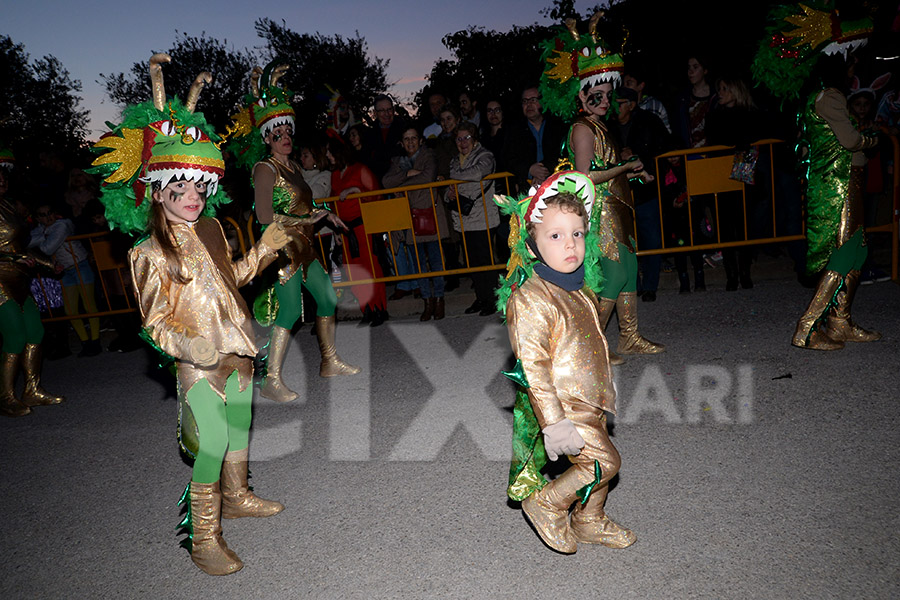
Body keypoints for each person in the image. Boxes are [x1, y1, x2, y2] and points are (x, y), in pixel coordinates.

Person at [92, 54, 287, 575]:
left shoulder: (215, 230)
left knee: (240, 429)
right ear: (157, 192)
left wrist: (265, 249)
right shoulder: (148, 253)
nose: (191, 197)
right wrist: (190, 348)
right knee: (210, 445)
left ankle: (239, 495)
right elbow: (155, 323)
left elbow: (236, 280)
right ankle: (204, 538)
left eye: (198, 187)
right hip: (199, 361)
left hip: (240, 348)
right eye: (177, 189)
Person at [497, 170, 635, 554]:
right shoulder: (530, 298)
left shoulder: (579, 288)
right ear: (533, 244)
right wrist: (555, 424)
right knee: (606, 462)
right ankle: (547, 502)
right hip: (561, 404)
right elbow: (534, 368)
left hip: (588, 398)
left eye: (577, 233)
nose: (570, 244)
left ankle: (589, 519)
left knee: (597, 454)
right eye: (555, 236)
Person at [227, 62, 360, 403]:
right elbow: (264, 216)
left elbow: (302, 209)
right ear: (266, 137)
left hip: (307, 245)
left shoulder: (296, 167)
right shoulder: (264, 169)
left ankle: (329, 361)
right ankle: (271, 379)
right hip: (282, 247)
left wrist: (324, 215)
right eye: (278, 134)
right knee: (289, 311)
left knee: (328, 298)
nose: (285, 138)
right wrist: (306, 222)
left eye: (288, 133)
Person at [752, 4, 879, 350]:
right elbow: (851, 141)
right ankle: (807, 327)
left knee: (857, 253)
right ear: (839, 61)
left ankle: (840, 322)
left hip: (841, 182)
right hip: (838, 186)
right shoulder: (831, 97)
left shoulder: (818, 97)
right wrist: (872, 139)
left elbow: (808, 147)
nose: (855, 65)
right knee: (844, 256)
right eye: (851, 60)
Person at [541, 13, 663, 361]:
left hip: (618, 206)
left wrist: (634, 173)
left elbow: (606, 166)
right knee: (613, 276)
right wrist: (624, 166)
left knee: (629, 273)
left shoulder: (600, 125)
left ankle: (629, 337)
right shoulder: (582, 128)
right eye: (599, 95)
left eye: (609, 95)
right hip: (602, 209)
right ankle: (590, 345)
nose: (606, 101)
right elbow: (583, 177)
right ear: (581, 97)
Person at [0, 158, 65, 417]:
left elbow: (19, 248)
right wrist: (11, 259)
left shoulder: (8, 206)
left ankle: (32, 390)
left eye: (3, 177)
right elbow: (11, 254)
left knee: (35, 331)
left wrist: (48, 264)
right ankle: (5, 397)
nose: (2, 181)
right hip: (0, 281)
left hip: (18, 279)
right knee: (15, 335)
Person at [607, 86, 675, 302]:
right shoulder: (607, 125)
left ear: (631, 104)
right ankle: (632, 286)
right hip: (620, 191)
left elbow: (664, 146)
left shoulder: (649, 121)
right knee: (626, 241)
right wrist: (620, 156)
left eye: (617, 103)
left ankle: (650, 287)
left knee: (651, 237)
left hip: (646, 189)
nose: (612, 107)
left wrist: (637, 153)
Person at [706, 76, 767, 291]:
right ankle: (731, 275)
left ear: (735, 89)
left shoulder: (749, 114)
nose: (720, 92)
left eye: (724, 88)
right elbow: (712, 142)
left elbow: (752, 138)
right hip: (721, 177)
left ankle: (745, 273)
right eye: (719, 88)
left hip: (744, 177)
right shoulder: (714, 115)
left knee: (744, 227)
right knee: (725, 228)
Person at [383, 126, 446, 320]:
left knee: (436, 259)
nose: (410, 142)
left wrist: (401, 184)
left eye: (414, 138)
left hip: (430, 213)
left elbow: (427, 177)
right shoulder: (397, 162)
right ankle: (427, 301)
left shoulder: (428, 155)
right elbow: (386, 182)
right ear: (402, 143)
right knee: (418, 262)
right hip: (409, 216)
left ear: (420, 140)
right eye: (406, 139)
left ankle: (439, 299)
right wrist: (408, 173)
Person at [327, 137, 389, 326]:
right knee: (353, 272)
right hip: (345, 229)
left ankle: (380, 308)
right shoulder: (335, 175)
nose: (327, 156)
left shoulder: (360, 169)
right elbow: (333, 203)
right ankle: (367, 309)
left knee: (371, 268)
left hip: (362, 227)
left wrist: (356, 189)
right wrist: (336, 230)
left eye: (330, 152)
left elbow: (376, 194)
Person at [28, 202, 102, 356]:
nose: (48, 217)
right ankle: (85, 342)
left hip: (80, 265)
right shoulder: (43, 230)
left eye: (50, 212)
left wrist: (43, 236)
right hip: (65, 271)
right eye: (43, 214)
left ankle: (95, 341)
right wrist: (45, 234)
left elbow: (47, 248)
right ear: (37, 218)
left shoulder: (63, 224)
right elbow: (28, 242)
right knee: (70, 310)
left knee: (89, 305)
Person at [446, 121, 499, 316]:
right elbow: (449, 187)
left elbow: (478, 174)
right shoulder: (454, 161)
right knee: (473, 262)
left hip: (482, 216)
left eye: (466, 137)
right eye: (459, 138)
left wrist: (456, 177)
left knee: (485, 260)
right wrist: (448, 194)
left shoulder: (485, 155)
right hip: (463, 217)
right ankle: (481, 297)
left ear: (474, 138)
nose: (462, 142)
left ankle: (492, 300)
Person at [503, 86, 567, 194]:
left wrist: (543, 170)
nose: (529, 105)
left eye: (533, 100)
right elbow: (507, 158)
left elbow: (563, 152)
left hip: (558, 184)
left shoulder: (557, 126)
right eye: (525, 101)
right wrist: (529, 169)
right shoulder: (514, 130)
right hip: (526, 189)